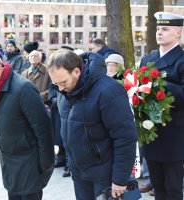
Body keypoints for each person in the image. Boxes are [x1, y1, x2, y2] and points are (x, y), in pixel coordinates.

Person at [47, 49, 137, 199]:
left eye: (63, 82)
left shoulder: (108, 90)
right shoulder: (63, 90)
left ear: (76, 71)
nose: (60, 88)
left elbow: (125, 137)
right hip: (80, 173)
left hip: (105, 176)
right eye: (56, 84)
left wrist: (120, 179)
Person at [0, 52, 54, 200]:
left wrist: (46, 161)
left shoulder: (24, 88)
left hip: (29, 161)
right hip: (9, 160)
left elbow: (43, 127)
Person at [139, 11, 184, 200]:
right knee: (158, 187)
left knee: (172, 189)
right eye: (158, 28)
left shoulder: (181, 60)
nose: (159, 32)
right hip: (151, 131)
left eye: (165, 29)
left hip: (173, 133)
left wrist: (160, 83)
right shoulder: (148, 59)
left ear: (178, 32)